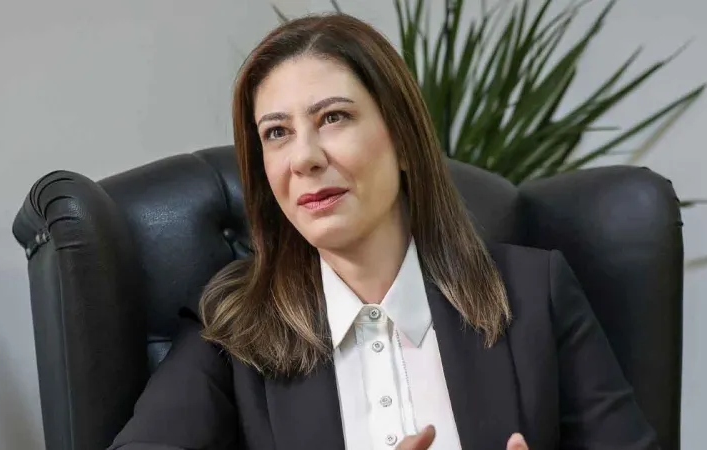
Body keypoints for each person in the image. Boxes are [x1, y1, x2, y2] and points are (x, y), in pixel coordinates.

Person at [108, 12, 659, 450]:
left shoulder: (536, 293)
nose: (303, 157)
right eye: (276, 133)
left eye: (333, 118)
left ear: (402, 140)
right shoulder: (232, 325)